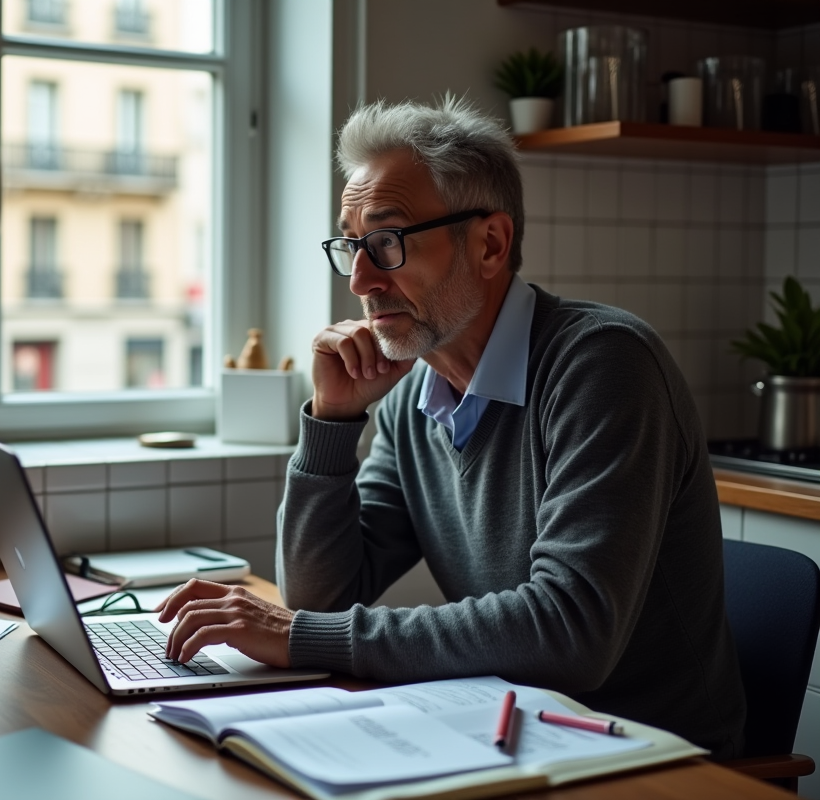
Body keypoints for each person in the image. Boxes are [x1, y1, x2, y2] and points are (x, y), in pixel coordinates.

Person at [156, 96, 745, 759]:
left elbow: (569, 635)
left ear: (490, 243)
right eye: (351, 245)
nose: (360, 279)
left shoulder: (604, 364)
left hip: (653, 757)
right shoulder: (416, 399)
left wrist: (299, 636)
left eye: (386, 241)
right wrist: (333, 420)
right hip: (513, 733)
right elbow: (320, 594)